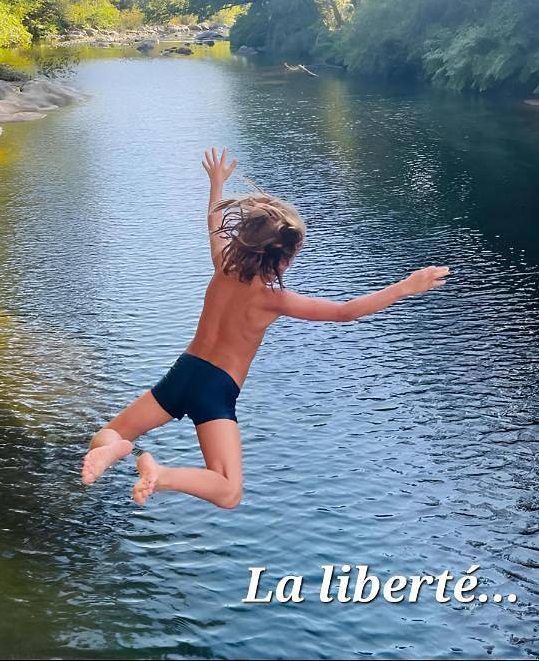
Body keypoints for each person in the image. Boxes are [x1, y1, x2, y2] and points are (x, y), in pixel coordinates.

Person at [81, 147, 449, 508]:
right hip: (216, 388)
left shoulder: (223, 264)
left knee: (107, 434)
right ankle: (161, 475)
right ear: (283, 260)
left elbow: (213, 222)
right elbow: (345, 312)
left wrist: (216, 184)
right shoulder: (272, 299)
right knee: (228, 491)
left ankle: (118, 448)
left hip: (184, 371)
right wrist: (406, 287)